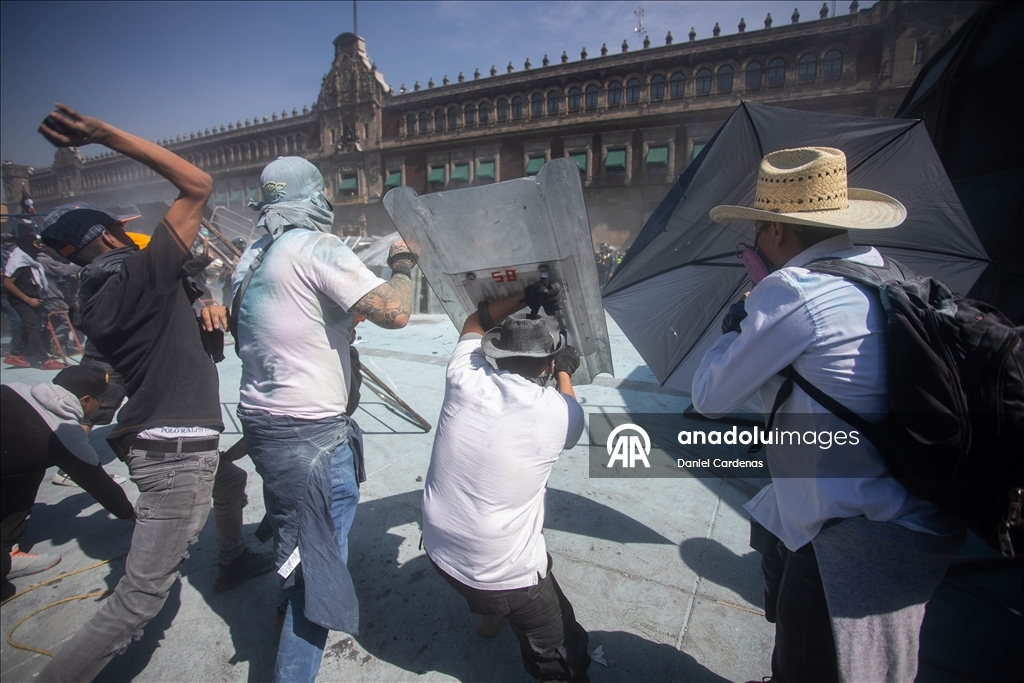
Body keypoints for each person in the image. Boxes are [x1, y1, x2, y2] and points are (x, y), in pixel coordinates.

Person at [691, 147, 966, 683]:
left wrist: (741, 320)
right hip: (918, 511)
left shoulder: (795, 289)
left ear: (776, 231)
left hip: (857, 533)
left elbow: (709, 395)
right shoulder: (888, 273)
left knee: (812, 661)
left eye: (760, 232)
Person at [34, 104, 271, 683]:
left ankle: (234, 560)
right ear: (111, 235)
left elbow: (169, 319)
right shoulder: (140, 273)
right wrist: (103, 135)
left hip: (149, 437)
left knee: (232, 482)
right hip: (178, 451)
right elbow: (198, 186)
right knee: (138, 601)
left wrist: (198, 300)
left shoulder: (93, 299)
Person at [231, 155, 413, 682]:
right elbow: (396, 311)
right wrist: (404, 264)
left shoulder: (253, 256)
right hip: (308, 435)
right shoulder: (314, 246)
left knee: (295, 541)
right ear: (315, 199)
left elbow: (291, 319)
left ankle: (281, 609)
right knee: (317, 576)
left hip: (265, 426)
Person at [421, 283, 590, 683]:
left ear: (495, 354)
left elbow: (475, 320)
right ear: (547, 366)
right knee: (561, 649)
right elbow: (572, 412)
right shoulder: (558, 414)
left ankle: (488, 618)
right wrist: (565, 369)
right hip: (500, 572)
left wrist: (524, 297)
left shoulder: (464, 376)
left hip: (440, 551)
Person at [2, 366, 135, 586]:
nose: (100, 406)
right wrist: (131, 514)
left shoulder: (14, 389)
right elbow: (101, 485)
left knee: (31, 467)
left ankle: (7, 542)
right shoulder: (64, 434)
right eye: (99, 401)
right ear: (85, 400)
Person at [2, 230, 64, 369]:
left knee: (33, 326)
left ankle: (14, 354)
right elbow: (8, 283)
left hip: (32, 298)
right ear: (28, 244)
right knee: (34, 328)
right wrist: (28, 299)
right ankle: (45, 360)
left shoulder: (29, 258)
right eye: (36, 243)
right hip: (22, 300)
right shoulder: (18, 261)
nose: (40, 246)